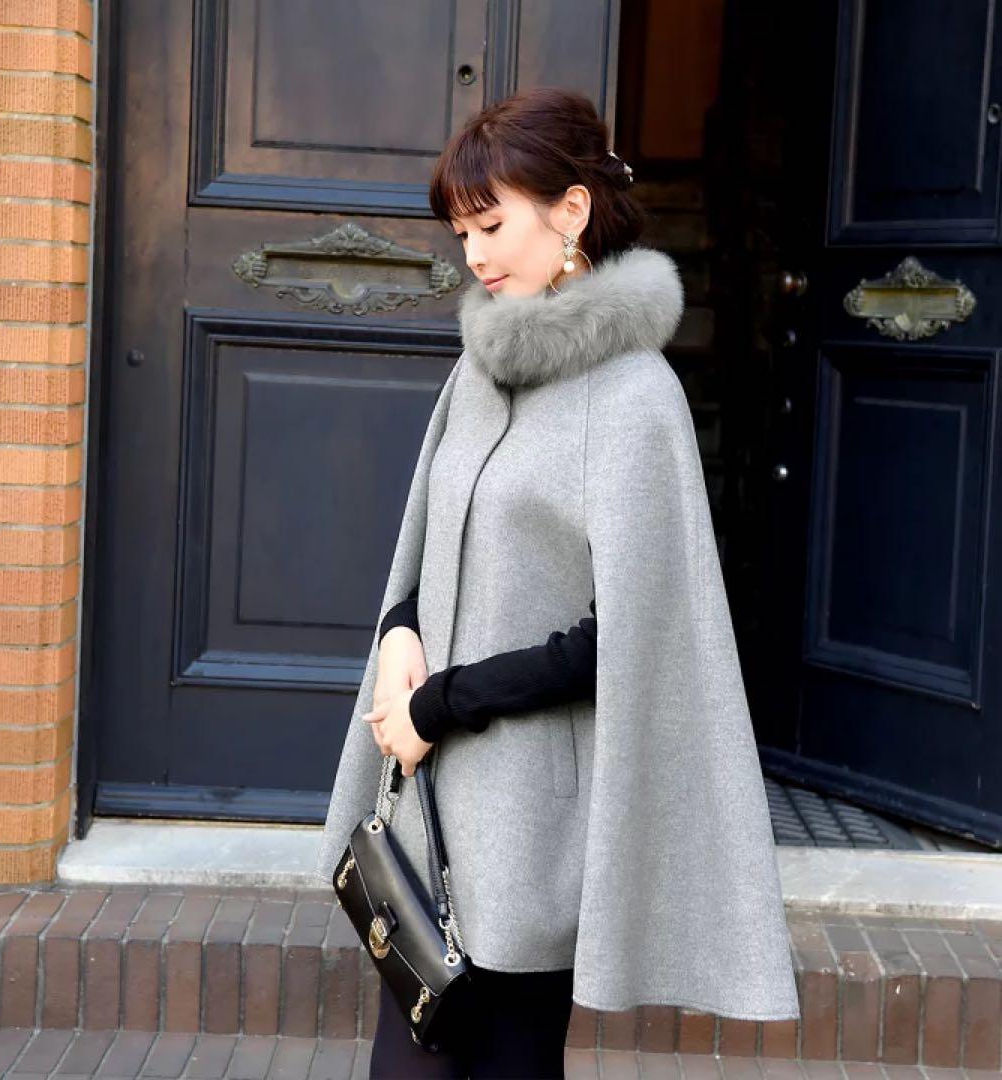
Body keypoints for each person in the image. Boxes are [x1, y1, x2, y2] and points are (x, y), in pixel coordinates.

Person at [315, 86, 801, 1079]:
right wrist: (400, 632)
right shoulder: (479, 371)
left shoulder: (634, 396)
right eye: (461, 233)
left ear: (571, 211)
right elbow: (428, 544)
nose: (474, 256)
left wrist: (440, 703)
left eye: (491, 226)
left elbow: (627, 635)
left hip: (531, 830)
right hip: (430, 808)